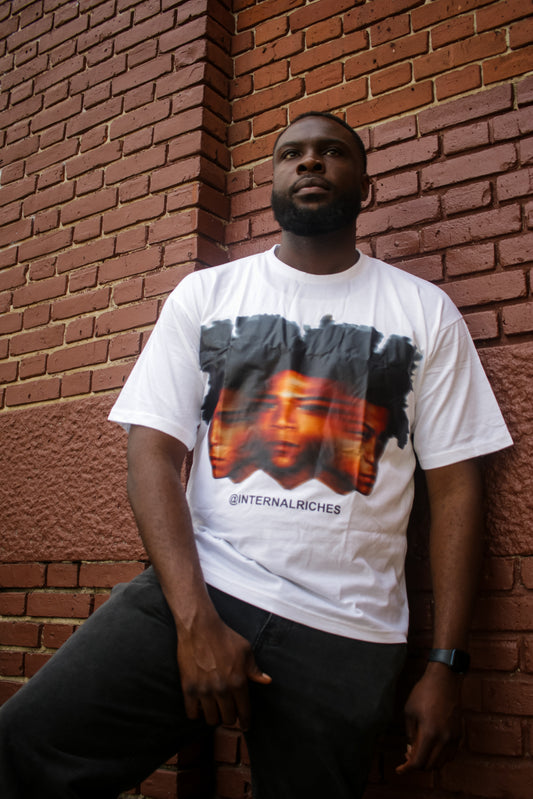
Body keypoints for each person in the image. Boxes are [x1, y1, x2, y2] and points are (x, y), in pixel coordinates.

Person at [0, 112, 512, 799]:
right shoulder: (207, 295)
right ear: (271, 180)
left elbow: (456, 488)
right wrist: (193, 621)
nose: (310, 163)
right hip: (202, 589)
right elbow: (152, 454)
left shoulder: (424, 311)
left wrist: (446, 664)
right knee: (22, 749)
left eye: (332, 152)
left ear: (365, 187)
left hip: (347, 630)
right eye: (291, 154)